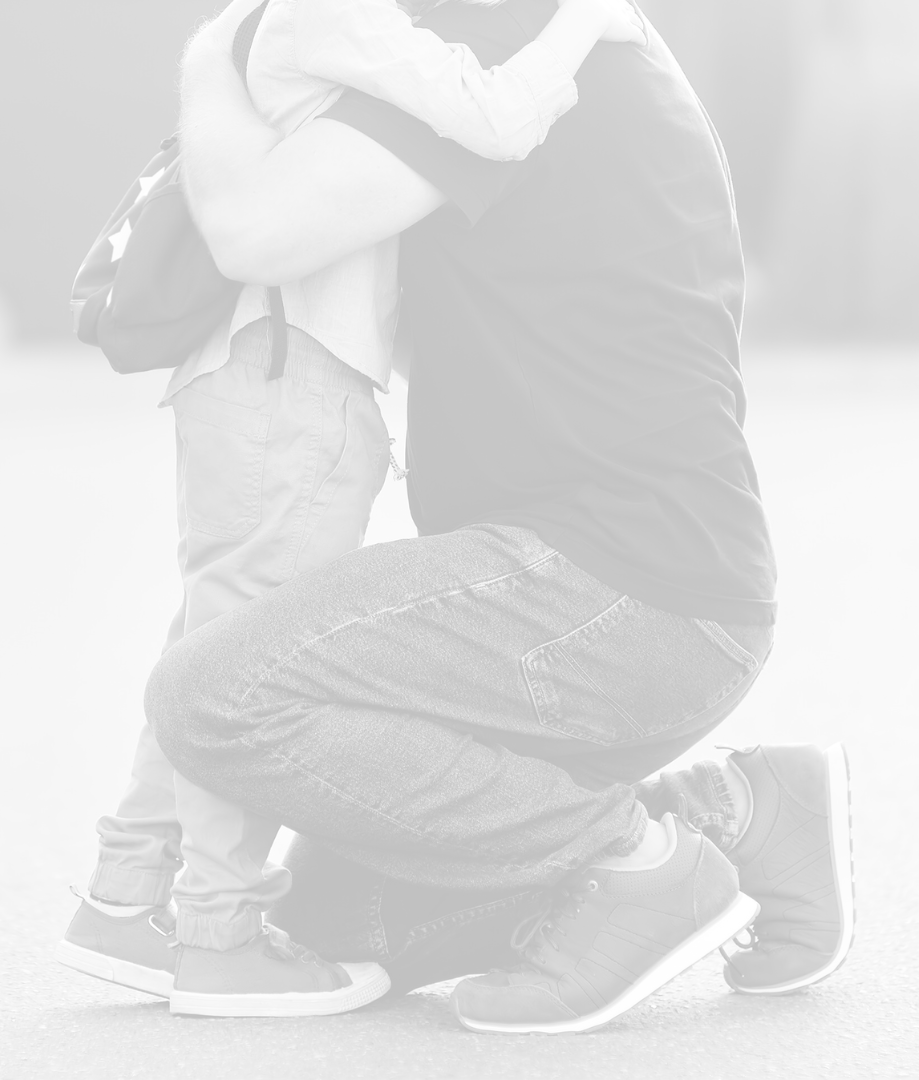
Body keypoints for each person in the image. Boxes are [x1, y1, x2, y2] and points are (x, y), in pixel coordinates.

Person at [56, 0, 649, 1019]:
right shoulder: (332, 13)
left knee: (214, 636)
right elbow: (498, 114)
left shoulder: (279, 24)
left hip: (259, 378)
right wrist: (584, 22)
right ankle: (219, 933)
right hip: (290, 384)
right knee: (240, 659)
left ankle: (127, 899)